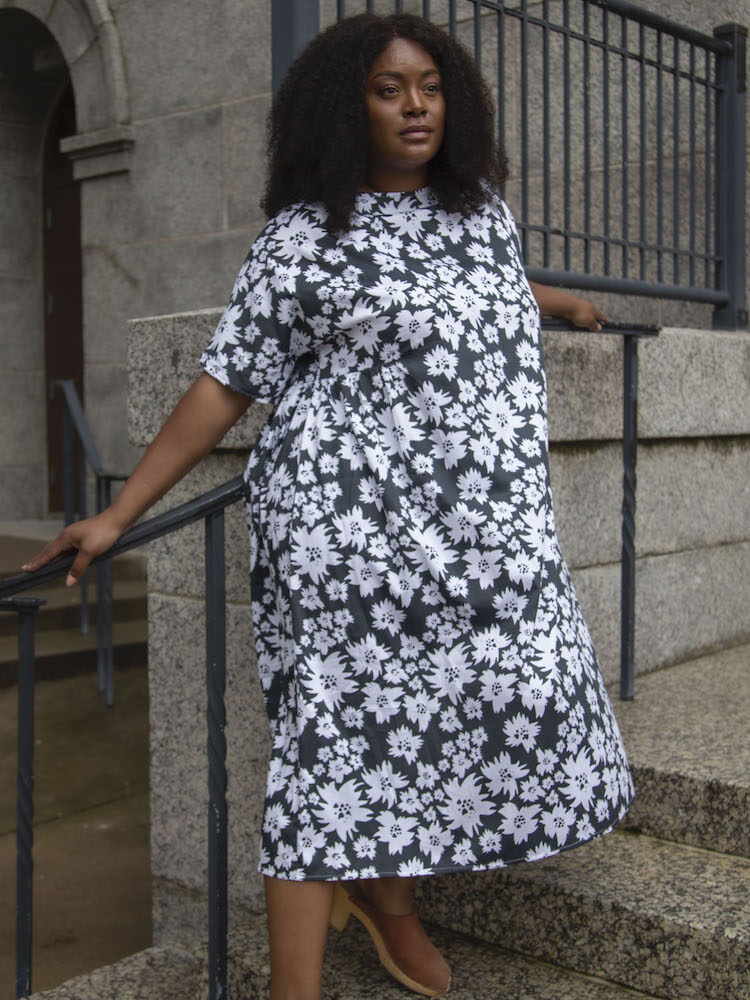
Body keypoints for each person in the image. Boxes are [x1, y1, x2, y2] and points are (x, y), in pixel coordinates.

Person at [24, 13, 635, 1000]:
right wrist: (118, 511)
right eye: (388, 89)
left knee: (483, 704)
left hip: (482, 538)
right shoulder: (304, 238)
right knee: (335, 749)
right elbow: (225, 384)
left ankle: (389, 901)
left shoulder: (483, 214)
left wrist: (552, 300)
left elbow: (467, 292)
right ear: (345, 106)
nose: (415, 106)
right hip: (347, 540)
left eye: (429, 86)